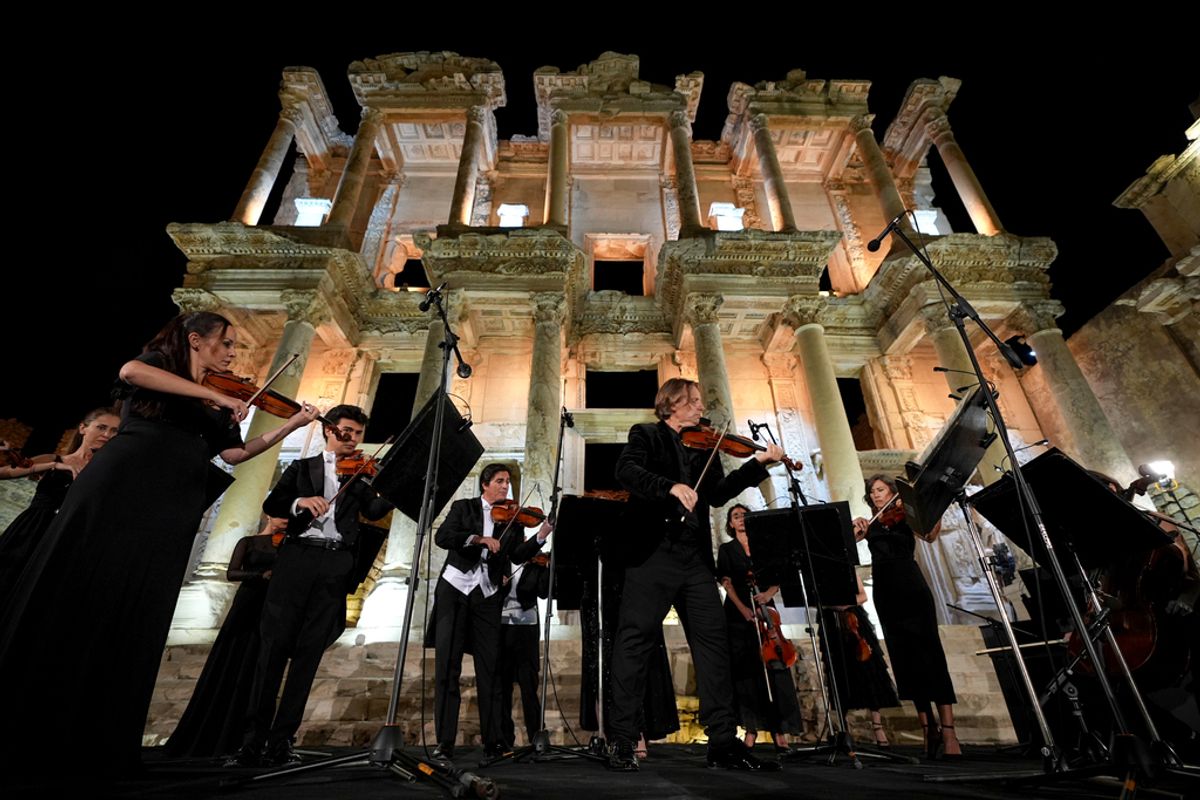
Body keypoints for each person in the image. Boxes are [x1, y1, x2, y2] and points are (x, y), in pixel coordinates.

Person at [0, 311, 318, 778]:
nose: (233, 353)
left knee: (139, 602)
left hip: (173, 499)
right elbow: (130, 371)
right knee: (82, 588)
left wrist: (291, 426)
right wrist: (212, 392)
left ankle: (98, 739)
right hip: (124, 484)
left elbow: (234, 454)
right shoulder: (160, 368)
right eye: (226, 343)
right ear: (195, 339)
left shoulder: (218, 402)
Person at [607, 378, 784, 772]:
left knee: (713, 646)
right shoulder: (647, 434)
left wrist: (757, 464)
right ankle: (620, 740)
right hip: (653, 555)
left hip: (695, 560)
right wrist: (669, 486)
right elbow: (627, 471)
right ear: (672, 403)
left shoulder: (705, 446)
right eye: (694, 401)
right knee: (633, 643)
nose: (701, 407)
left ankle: (722, 741)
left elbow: (718, 493)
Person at [233, 405, 393, 767]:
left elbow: (376, 508)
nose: (353, 439)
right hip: (297, 558)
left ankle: (282, 741)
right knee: (272, 649)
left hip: (336, 563)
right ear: (329, 430)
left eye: (357, 433)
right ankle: (251, 742)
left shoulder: (361, 476)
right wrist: (299, 501)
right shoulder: (302, 468)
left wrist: (393, 483)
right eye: (347, 431)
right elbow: (272, 503)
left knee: (308, 655)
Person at [431, 464, 551, 764]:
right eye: (499, 481)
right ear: (485, 485)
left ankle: (494, 741)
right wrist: (477, 539)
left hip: (487, 597)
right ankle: (444, 742)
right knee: (448, 667)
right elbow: (444, 537)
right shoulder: (464, 508)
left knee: (492, 670)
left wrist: (541, 536)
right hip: (454, 590)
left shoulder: (511, 520)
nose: (504, 487)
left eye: (507, 482)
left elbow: (517, 556)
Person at [852, 474, 960, 758]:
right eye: (871, 491)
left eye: (880, 489)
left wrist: (927, 509)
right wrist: (853, 532)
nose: (875, 495)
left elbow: (931, 534)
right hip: (886, 594)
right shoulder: (869, 523)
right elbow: (845, 549)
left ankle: (949, 731)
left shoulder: (905, 516)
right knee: (905, 659)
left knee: (930, 654)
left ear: (891, 491)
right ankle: (928, 729)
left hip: (912, 588)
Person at [166, 516, 287, 758]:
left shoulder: (287, 545)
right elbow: (232, 573)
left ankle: (247, 736)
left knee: (258, 666)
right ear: (269, 516)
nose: (285, 520)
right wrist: (259, 575)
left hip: (271, 607)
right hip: (247, 604)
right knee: (233, 658)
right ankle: (214, 731)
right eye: (281, 515)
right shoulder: (249, 542)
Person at [0, 407, 120, 604]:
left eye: (114, 431)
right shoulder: (54, 459)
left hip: (68, 536)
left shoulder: (108, 472)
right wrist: (53, 466)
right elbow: (4, 472)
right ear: (83, 428)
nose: (107, 434)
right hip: (32, 530)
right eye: (101, 427)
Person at [716, 504, 802, 753]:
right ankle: (751, 730)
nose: (741, 519)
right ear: (730, 524)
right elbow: (726, 582)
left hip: (766, 610)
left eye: (744, 515)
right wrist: (743, 609)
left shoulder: (764, 547)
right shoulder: (727, 549)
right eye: (736, 516)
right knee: (745, 674)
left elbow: (779, 577)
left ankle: (779, 730)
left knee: (775, 669)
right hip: (738, 612)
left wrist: (768, 594)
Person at [819, 573, 901, 747]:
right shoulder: (817, 571)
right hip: (830, 622)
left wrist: (845, 604)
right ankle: (844, 727)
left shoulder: (848, 566)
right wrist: (832, 605)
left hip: (854, 619)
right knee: (839, 672)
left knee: (870, 670)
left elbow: (863, 595)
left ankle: (877, 726)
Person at [497, 553, 548, 749]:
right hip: (502, 626)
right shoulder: (500, 562)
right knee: (503, 685)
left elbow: (543, 592)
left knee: (529, 685)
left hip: (527, 628)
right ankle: (504, 738)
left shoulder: (535, 565)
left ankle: (536, 737)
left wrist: (548, 568)